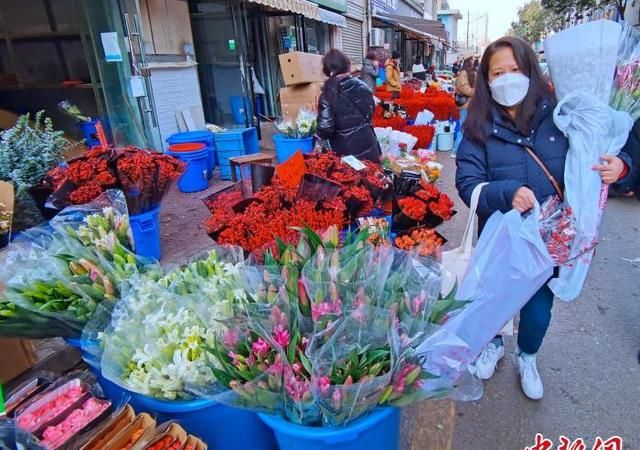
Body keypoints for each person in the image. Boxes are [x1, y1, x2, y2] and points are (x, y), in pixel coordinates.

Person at [455, 36, 631, 400]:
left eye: (515, 70)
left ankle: (528, 355)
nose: (507, 79)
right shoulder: (476, 126)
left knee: (537, 311)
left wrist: (621, 165)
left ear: (531, 72)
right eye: (497, 73)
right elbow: (468, 184)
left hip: (550, 240)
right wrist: (506, 193)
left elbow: (593, 164)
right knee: (493, 300)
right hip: (501, 238)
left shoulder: (563, 115)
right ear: (486, 82)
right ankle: (494, 345)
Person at [317, 49, 381, 162]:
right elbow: (370, 112)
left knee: (354, 179)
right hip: (369, 145)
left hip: (347, 154)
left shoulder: (328, 95)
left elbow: (325, 129)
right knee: (371, 177)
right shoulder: (363, 86)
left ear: (327, 70)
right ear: (347, 66)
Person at [452, 57, 477, 158]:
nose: (474, 60)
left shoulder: (470, 72)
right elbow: (464, 88)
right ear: (469, 60)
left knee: (468, 128)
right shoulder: (463, 73)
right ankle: (455, 151)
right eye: (473, 58)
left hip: (470, 104)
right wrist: (477, 91)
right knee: (464, 128)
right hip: (465, 105)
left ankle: (462, 151)